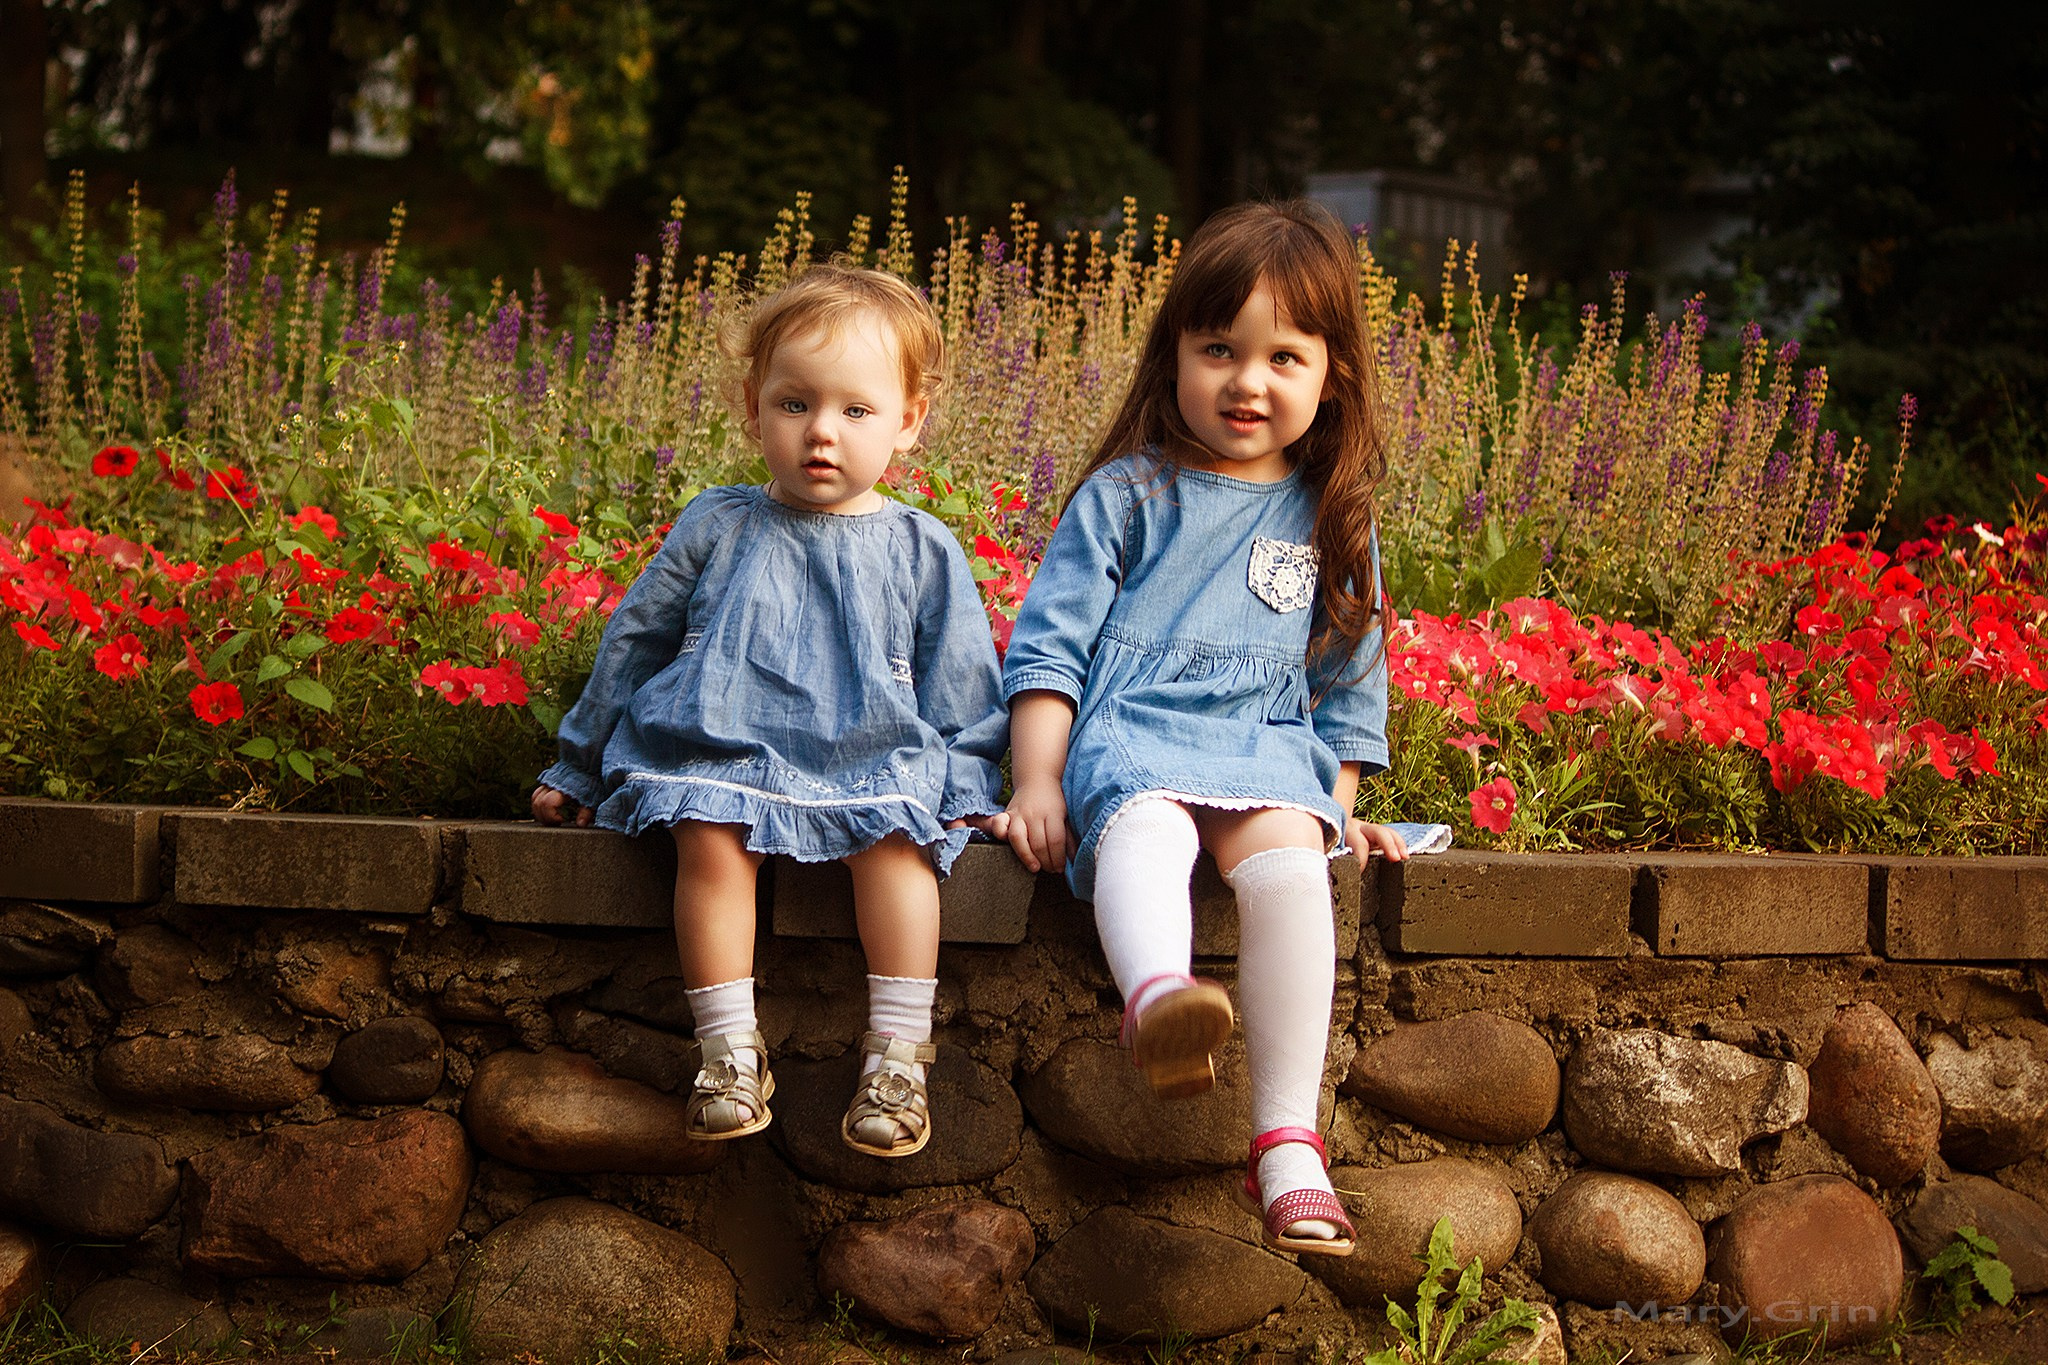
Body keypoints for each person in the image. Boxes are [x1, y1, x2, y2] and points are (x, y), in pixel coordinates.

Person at [991, 201, 1410, 1256]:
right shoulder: (1128, 496)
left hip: (1266, 747)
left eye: (1282, 357)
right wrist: (1037, 780)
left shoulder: (1333, 516)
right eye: (1218, 349)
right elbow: (1050, 651)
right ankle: (1159, 999)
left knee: (1289, 869)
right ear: (1172, 354)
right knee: (1151, 830)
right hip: (1135, 734)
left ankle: (1287, 1143)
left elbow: (1347, 688)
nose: (1245, 381)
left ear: (1331, 377)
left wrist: (1334, 808)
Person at [532, 263, 1007, 1159]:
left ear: (908, 421)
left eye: (856, 410)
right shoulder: (718, 524)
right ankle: (727, 1050)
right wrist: (580, 763)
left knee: (898, 846)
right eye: (795, 403)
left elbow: (963, 683)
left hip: (868, 753)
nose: (821, 431)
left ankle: (897, 1055)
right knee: (709, 839)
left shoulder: (919, 545)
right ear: (754, 408)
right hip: (720, 742)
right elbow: (635, 639)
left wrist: (969, 790)